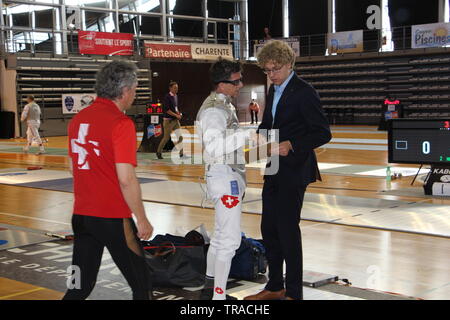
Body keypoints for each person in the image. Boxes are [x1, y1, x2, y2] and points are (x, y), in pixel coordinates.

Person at [244, 40, 331, 300]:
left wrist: (292, 145)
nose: (272, 74)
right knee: (269, 228)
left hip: (295, 168)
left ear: (289, 64)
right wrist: (258, 136)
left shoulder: (305, 92)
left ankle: (294, 292)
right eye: (267, 70)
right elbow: (269, 123)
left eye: (276, 69)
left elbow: (323, 133)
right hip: (274, 166)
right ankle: (274, 286)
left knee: (288, 230)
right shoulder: (273, 90)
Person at [63, 60, 154, 300]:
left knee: (78, 287)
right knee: (141, 286)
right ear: (125, 91)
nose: (134, 95)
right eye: (134, 89)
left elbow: (72, 166)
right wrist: (142, 219)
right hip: (113, 218)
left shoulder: (78, 119)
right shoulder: (120, 123)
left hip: (82, 216)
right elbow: (126, 179)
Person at [196, 57, 248, 300]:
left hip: (223, 175)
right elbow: (214, 147)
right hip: (224, 177)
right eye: (236, 81)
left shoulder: (222, 104)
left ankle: (209, 285)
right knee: (229, 240)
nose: (240, 85)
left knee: (220, 236)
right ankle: (218, 297)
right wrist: (246, 136)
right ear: (221, 84)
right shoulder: (215, 109)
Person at [156, 81, 183, 159]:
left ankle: (181, 153)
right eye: (175, 88)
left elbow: (175, 107)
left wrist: (178, 113)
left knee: (180, 137)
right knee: (166, 138)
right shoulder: (167, 97)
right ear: (170, 88)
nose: (176, 89)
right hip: (168, 121)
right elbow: (167, 110)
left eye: (177, 88)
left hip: (175, 121)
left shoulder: (176, 96)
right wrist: (176, 115)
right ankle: (158, 152)